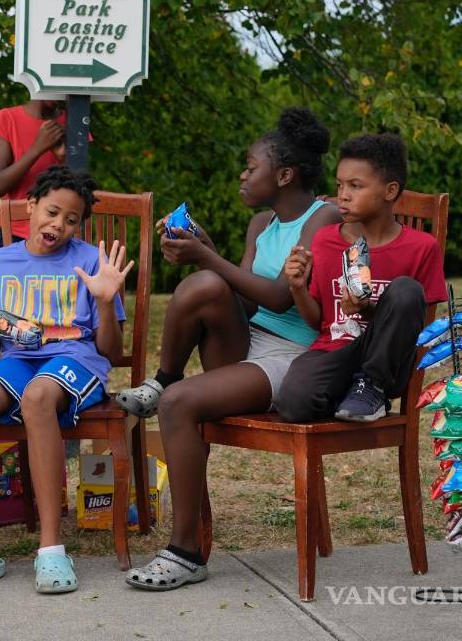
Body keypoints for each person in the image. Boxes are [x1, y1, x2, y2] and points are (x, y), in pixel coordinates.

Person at [120, 107, 340, 591]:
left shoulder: (324, 217)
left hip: (294, 357)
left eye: (250, 167)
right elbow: (241, 295)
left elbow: (283, 294)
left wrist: (207, 254)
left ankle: (185, 553)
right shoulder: (262, 223)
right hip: (251, 341)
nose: (243, 175)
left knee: (180, 407)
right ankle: (166, 377)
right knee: (202, 284)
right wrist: (205, 248)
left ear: (285, 174)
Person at [0, 166, 131, 594]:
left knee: (39, 397)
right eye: (52, 212)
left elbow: (112, 352)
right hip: (17, 358)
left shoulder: (88, 262)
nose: (58, 225)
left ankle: (51, 551)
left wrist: (104, 301)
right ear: (30, 206)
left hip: (75, 358)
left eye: (71, 219)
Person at [277, 133, 447, 423]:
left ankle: (371, 387)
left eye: (355, 186)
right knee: (292, 403)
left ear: (390, 191)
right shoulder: (325, 241)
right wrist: (297, 287)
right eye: (340, 185)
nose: (343, 194)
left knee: (406, 290)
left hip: (388, 363)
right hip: (336, 350)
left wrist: (368, 308)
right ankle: (350, 395)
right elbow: (320, 321)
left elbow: (417, 323)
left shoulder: (421, 248)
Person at [0, 98, 70, 241]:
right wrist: (37, 148)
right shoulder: (6, 118)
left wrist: (62, 158)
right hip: (17, 234)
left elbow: (81, 185)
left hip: (63, 231)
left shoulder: (74, 120)